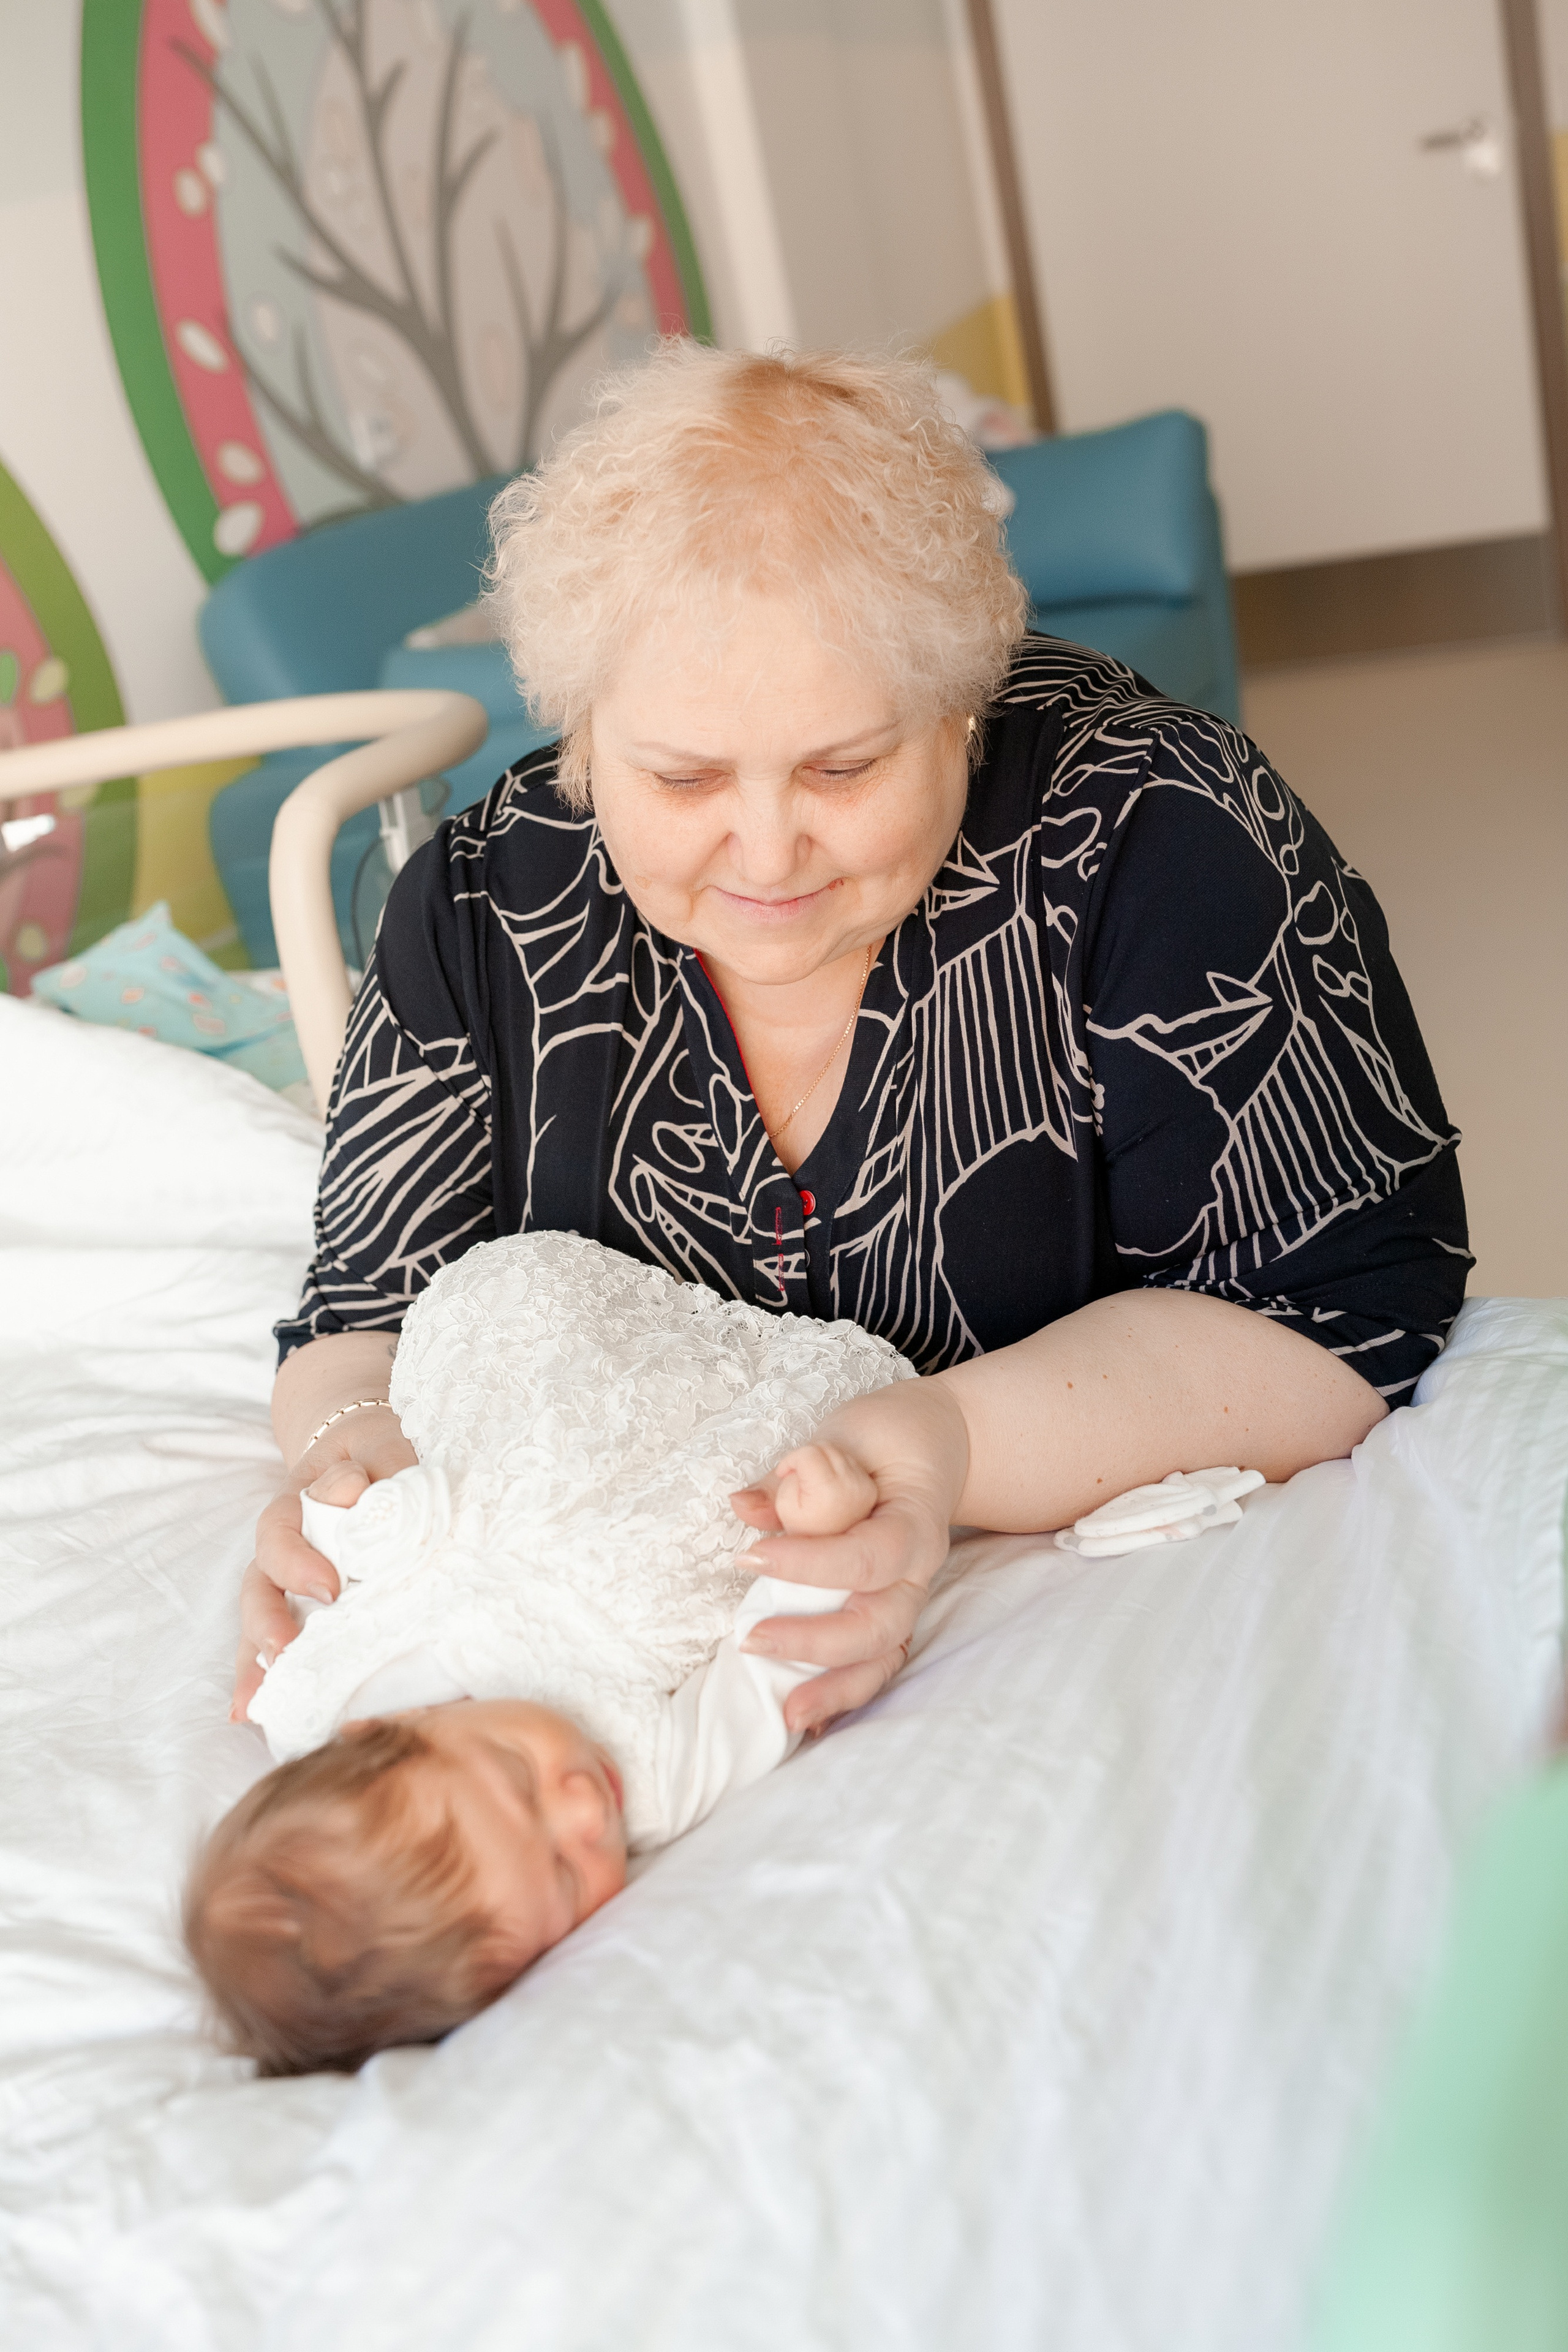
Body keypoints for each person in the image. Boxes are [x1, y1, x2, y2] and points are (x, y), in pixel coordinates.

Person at [236, 339, 1469, 1741]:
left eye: (844, 765)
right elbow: (359, 1319)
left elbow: (1337, 1305)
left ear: (959, 699)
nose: (766, 851)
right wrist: (345, 1460)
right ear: (581, 738)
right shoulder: (476, 904)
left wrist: (939, 1446)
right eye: (680, 775)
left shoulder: (1163, 833)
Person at [189, 1230, 913, 2074]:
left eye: (514, 1777)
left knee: (511, 1333)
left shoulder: (322, 1701)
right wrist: (820, 1543)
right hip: (684, 1493)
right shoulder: (651, 1784)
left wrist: (339, 1508)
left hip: (527, 1441)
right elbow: (770, 1674)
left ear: (389, 1729)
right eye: (569, 1878)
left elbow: (333, 1571)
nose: (580, 1810)